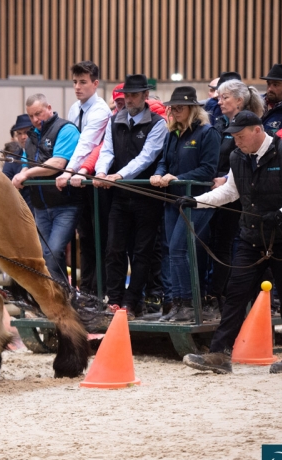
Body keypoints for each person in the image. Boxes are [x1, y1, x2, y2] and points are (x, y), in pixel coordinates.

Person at [180, 111, 282, 374]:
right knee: (235, 294)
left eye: (240, 136)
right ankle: (219, 354)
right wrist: (197, 201)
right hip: (252, 236)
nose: (236, 141)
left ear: (257, 130)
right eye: (233, 137)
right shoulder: (237, 156)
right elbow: (231, 191)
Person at [93, 74, 167, 319]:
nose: (129, 99)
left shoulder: (158, 123)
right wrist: (102, 171)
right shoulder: (115, 120)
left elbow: (147, 156)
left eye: (134, 95)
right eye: (127, 95)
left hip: (147, 195)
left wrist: (118, 175)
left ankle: (132, 302)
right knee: (114, 248)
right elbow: (107, 150)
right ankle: (114, 300)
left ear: (146, 96)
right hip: (121, 195)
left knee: (142, 252)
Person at [150, 86, 221, 322]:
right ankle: (180, 304)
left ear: (192, 108)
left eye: (180, 106)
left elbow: (208, 170)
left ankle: (189, 303)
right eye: (173, 107)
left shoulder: (207, 133)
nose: (175, 110)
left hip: (197, 201)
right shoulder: (173, 134)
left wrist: (177, 178)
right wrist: (160, 174)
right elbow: (164, 161)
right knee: (173, 250)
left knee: (179, 249)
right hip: (174, 200)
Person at [204, 79, 265, 316]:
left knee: (228, 244)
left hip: (241, 197)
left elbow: (246, 157)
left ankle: (223, 295)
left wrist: (228, 180)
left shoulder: (250, 124)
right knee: (217, 243)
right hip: (218, 193)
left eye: (224, 97)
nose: (219, 101)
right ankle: (216, 294)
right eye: (218, 97)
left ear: (239, 101)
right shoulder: (220, 124)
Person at [11, 93, 81, 284]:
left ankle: (64, 296)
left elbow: (57, 163)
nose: (35, 120)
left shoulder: (66, 129)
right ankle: (60, 296)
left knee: (54, 251)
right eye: (31, 116)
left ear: (49, 108)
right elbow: (26, 161)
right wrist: (23, 171)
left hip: (64, 205)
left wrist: (25, 174)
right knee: (43, 255)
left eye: (38, 114)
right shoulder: (32, 135)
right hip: (40, 207)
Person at [57, 61, 111, 296]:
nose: (77, 87)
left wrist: (68, 171)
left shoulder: (100, 110)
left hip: (95, 181)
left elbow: (86, 144)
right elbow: (71, 144)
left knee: (100, 238)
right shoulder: (73, 109)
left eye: (83, 82)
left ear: (95, 84)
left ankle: (99, 291)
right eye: (75, 82)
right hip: (77, 181)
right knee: (85, 238)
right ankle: (87, 290)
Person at [2, 114, 33, 211]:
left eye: (26, 132)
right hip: (21, 210)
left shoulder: (44, 153)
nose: (23, 137)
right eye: (19, 133)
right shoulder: (12, 158)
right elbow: (5, 184)